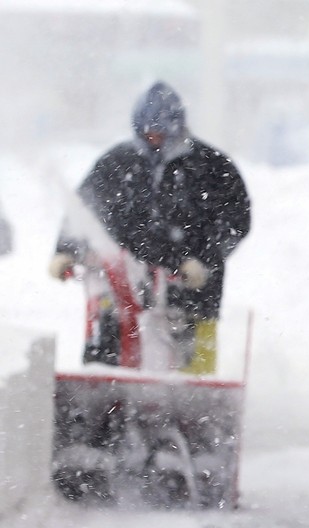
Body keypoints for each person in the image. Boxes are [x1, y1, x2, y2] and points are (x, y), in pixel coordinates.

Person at [49, 81, 251, 374]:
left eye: (160, 133)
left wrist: (203, 262)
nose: (153, 139)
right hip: (123, 288)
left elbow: (236, 221)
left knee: (192, 375)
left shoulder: (212, 167)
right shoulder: (116, 163)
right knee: (108, 362)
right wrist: (66, 250)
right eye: (147, 133)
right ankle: (106, 405)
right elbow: (83, 211)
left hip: (192, 295)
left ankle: (191, 412)